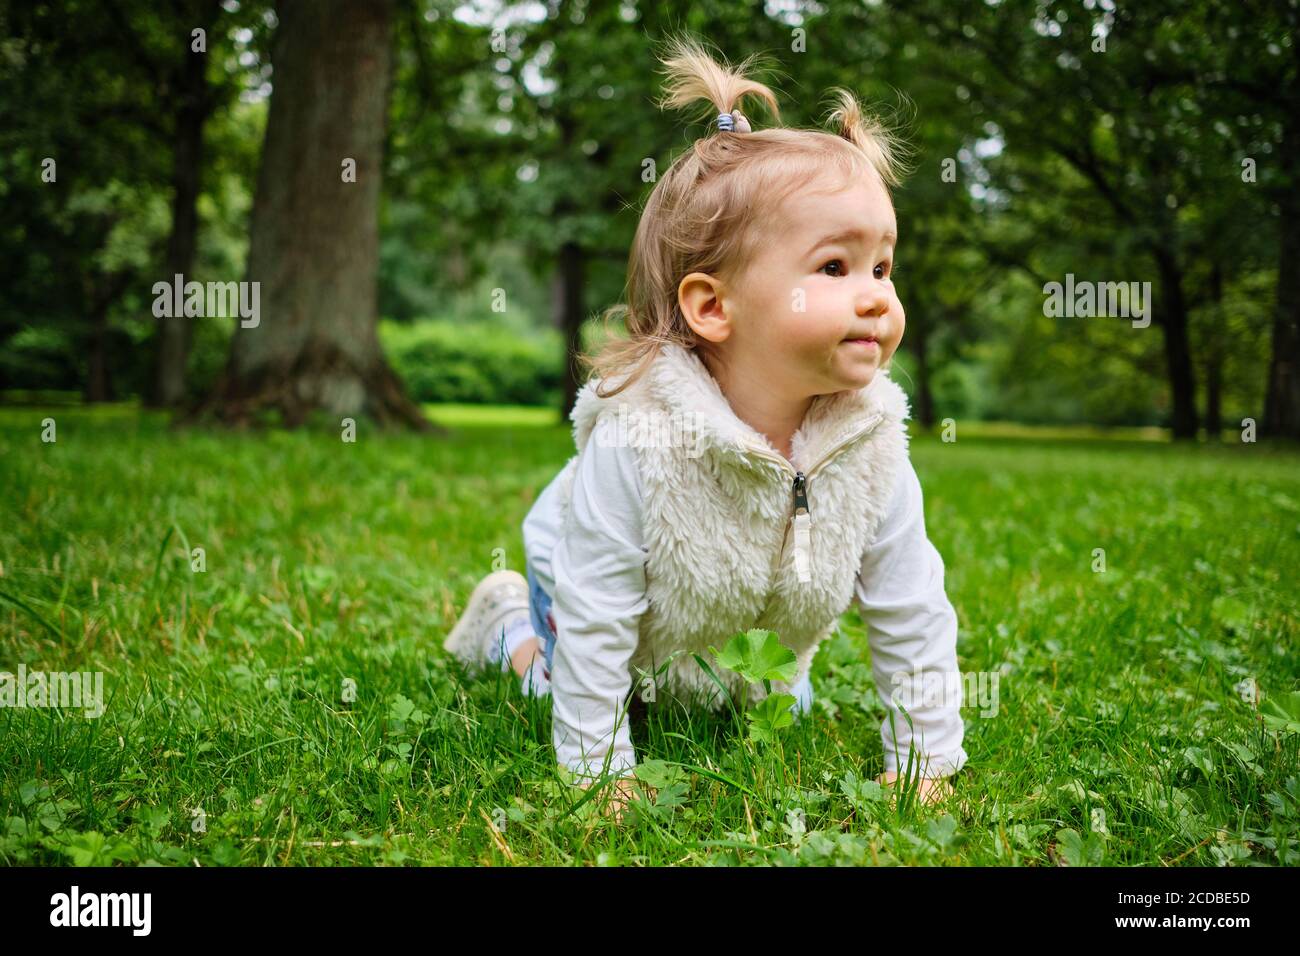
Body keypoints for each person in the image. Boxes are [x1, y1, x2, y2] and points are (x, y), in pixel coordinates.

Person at [445, 34, 967, 818]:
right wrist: (598, 773)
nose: (876, 297)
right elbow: (598, 616)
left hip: (738, 618)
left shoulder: (871, 446)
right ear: (712, 307)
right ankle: (509, 626)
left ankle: (735, 673)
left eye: (883, 268)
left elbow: (911, 609)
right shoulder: (638, 443)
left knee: (755, 711)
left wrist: (925, 759)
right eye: (835, 267)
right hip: (584, 583)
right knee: (569, 677)